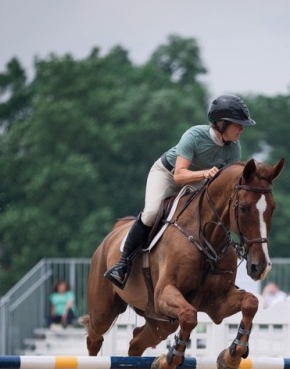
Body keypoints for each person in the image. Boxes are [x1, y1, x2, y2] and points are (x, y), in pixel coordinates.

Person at [104, 94, 256, 289]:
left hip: (199, 182)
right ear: (222, 124)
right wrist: (204, 173)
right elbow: (179, 176)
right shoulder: (194, 135)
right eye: (238, 124)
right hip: (167, 174)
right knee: (151, 212)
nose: (242, 129)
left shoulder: (234, 149)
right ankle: (122, 263)